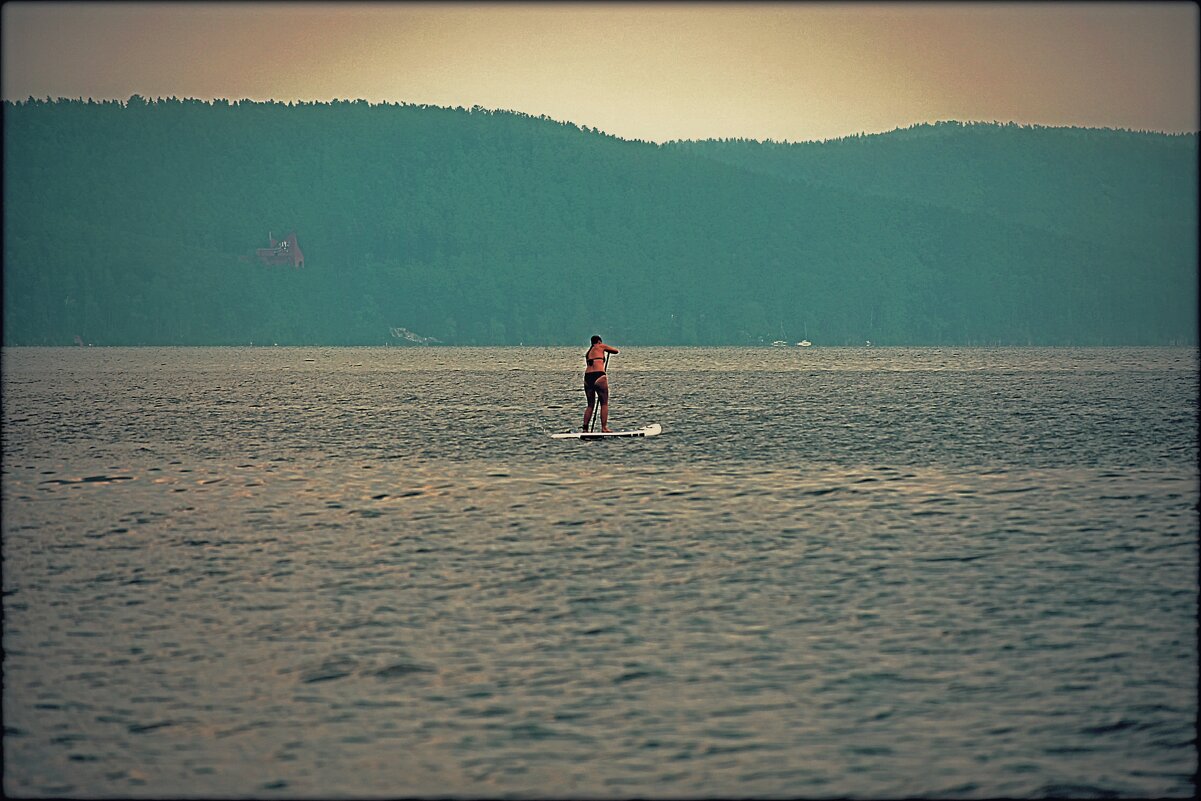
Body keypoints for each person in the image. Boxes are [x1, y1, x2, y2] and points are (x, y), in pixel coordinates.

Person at [583, 335, 619, 432]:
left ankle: (585, 429)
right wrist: (605, 348)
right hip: (599, 375)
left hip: (587, 377)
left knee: (590, 405)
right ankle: (604, 428)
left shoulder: (588, 353)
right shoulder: (601, 346)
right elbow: (616, 351)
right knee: (604, 403)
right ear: (599, 341)